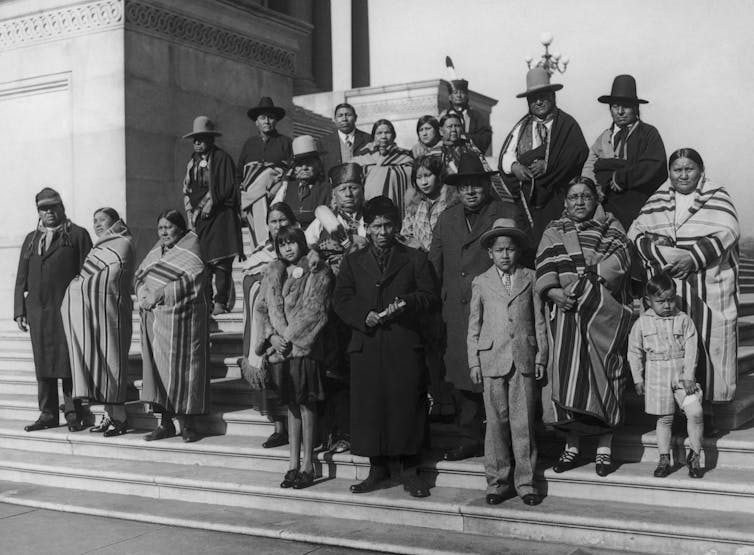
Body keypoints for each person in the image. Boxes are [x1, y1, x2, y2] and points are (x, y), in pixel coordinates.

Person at [333, 196, 438, 498]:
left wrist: (408, 304)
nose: (382, 232)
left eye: (388, 225)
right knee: (371, 408)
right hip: (366, 344)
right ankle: (376, 468)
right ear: (366, 228)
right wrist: (361, 315)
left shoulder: (415, 259)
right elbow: (341, 299)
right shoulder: (353, 261)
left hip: (403, 344)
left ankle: (410, 471)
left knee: (406, 406)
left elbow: (429, 296)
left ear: (398, 225)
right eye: (376, 226)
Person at [628, 148, 739, 426]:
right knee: (670, 347)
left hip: (706, 286)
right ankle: (669, 411)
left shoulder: (716, 196)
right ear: (670, 173)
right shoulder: (658, 198)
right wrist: (660, 253)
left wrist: (692, 258)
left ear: (700, 171)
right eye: (677, 170)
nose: (683, 174)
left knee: (704, 344)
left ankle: (706, 413)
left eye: (689, 169)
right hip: (668, 285)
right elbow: (636, 233)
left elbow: (728, 231)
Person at [535, 176, 633, 477]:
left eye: (586, 196)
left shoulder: (612, 228)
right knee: (567, 376)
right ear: (565, 202)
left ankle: (604, 449)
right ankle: (572, 447)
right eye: (574, 196)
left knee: (605, 376)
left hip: (601, 314)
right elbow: (544, 263)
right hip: (565, 316)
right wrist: (553, 292)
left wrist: (587, 288)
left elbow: (622, 258)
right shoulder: (554, 230)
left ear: (596, 200)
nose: (579, 202)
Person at [429, 153, 522, 461]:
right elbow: (435, 265)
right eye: (464, 187)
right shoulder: (447, 217)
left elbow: (521, 258)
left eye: (476, 186)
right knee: (461, 374)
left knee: (498, 371)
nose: (470, 192)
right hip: (455, 311)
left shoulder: (504, 212)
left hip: (495, 308)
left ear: (486, 185)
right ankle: (469, 437)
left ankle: (505, 440)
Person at [468, 218, 547, 506]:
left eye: (510, 249)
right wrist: (474, 361)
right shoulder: (481, 281)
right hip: (491, 358)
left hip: (523, 358)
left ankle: (526, 482)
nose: (505, 255)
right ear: (490, 252)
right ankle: (497, 482)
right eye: (499, 249)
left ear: (518, 251)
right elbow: (474, 326)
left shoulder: (531, 278)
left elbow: (539, 321)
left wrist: (541, 355)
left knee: (523, 422)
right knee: (496, 424)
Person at [254, 226, 333, 490]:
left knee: (306, 403)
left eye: (292, 243)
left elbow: (315, 309)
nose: (287, 248)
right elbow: (262, 307)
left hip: (302, 348)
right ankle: (292, 463)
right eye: (282, 244)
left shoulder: (316, 269)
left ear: (301, 243)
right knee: (290, 404)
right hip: (280, 351)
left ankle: (308, 464)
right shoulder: (273, 271)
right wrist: (270, 337)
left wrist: (287, 337)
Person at [15, 188, 92, 432]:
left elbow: (87, 275)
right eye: (43, 208)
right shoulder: (31, 239)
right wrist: (19, 309)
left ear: (62, 208)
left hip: (66, 309)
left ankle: (73, 412)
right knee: (43, 362)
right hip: (38, 310)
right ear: (38, 212)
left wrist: (83, 307)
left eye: (53, 207)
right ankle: (47, 413)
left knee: (67, 361)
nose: (48, 212)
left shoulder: (77, 235)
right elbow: (21, 277)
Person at [305, 163, 369, 454]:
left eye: (354, 187)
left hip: (367, 305)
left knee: (364, 368)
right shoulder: (322, 223)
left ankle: (367, 429)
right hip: (332, 310)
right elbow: (303, 251)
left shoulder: (372, 218)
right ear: (334, 193)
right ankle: (339, 431)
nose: (349, 194)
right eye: (343, 189)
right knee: (335, 369)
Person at [136, 210, 209, 443]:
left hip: (182, 323)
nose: (164, 232)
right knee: (157, 374)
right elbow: (139, 275)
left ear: (180, 227)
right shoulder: (156, 250)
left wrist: (158, 294)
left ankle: (188, 424)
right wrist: (143, 293)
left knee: (183, 372)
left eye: (169, 227)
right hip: (155, 322)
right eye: (161, 228)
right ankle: (165, 423)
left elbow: (193, 280)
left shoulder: (191, 248)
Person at [61, 208, 134, 437]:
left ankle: (120, 418)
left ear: (115, 221)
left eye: (102, 220)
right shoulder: (98, 246)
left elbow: (114, 273)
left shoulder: (123, 242)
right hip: (95, 311)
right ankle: (108, 415)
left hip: (113, 311)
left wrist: (80, 285)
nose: (97, 224)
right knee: (101, 363)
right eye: (95, 221)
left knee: (113, 361)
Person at [499, 68, 588, 246]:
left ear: (553, 96)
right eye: (533, 98)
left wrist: (548, 165)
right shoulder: (522, 126)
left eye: (543, 96)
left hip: (558, 198)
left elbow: (577, 154)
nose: (538, 102)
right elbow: (506, 155)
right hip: (529, 202)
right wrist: (515, 166)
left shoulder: (566, 124)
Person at [628, 272, 704, 479]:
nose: (667, 305)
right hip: (657, 374)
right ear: (648, 301)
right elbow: (634, 352)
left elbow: (692, 348)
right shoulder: (642, 323)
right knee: (664, 419)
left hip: (681, 376)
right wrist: (638, 378)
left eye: (671, 300)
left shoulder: (684, 320)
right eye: (661, 301)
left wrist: (689, 375)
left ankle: (695, 455)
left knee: (695, 411)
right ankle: (664, 458)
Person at [240, 202, 299, 449]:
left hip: (292, 326)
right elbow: (250, 286)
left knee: (294, 378)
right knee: (272, 375)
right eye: (273, 221)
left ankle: (302, 428)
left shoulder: (298, 250)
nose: (278, 225)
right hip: (264, 328)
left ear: (292, 222)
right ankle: (279, 427)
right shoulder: (259, 255)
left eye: (282, 220)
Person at [402, 155, 456, 421]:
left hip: (447, 275)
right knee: (430, 342)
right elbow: (408, 235)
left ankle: (453, 400)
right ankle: (438, 399)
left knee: (448, 339)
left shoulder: (451, 202)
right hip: (423, 276)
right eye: (419, 177)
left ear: (439, 175)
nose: (424, 182)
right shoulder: (415, 206)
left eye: (428, 176)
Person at [581, 75, 667, 231]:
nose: (620, 112)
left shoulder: (648, 133)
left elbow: (656, 165)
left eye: (625, 106)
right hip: (607, 205)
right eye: (615, 106)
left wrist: (622, 176)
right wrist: (594, 189)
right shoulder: (604, 137)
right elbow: (590, 166)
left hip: (639, 206)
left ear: (635, 108)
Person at [181, 116, 242, 315]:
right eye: (195, 139)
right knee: (202, 263)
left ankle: (220, 301)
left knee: (222, 262)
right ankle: (204, 300)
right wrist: (192, 212)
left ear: (211, 139)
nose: (197, 143)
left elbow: (228, 187)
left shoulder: (222, 158)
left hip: (221, 217)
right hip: (201, 221)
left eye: (202, 138)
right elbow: (188, 189)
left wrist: (213, 202)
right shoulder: (192, 162)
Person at [237, 97, 293, 248]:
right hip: (252, 200)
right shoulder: (249, 144)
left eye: (271, 117)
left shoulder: (285, 142)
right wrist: (242, 201)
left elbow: (292, 169)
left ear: (276, 121)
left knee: (279, 235)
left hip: (277, 197)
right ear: (257, 122)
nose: (267, 121)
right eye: (262, 118)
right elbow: (240, 174)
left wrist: (279, 186)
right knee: (259, 240)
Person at [351, 119, 413, 217]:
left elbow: (411, 178)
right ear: (374, 136)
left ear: (393, 136)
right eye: (379, 133)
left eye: (387, 132)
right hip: (368, 203)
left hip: (396, 203)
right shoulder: (361, 157)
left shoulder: (404, 156)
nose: (383, 136)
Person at [271, 135, 331, 228]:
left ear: (318, 165)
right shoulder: (286, 188)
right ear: (294, 169)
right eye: (299, 164)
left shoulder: (327, 189)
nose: (304, 168)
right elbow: (274, 213)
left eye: (309, 163)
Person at [439, 77, 492, 154]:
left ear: (467, 96)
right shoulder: (444, 115)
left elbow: (485, 137)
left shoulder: (476, 115)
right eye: (455, 92)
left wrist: (465, 137)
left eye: (462, 92)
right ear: (450, 97)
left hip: (470, 154)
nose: (459, 95)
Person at [320, 103, 372, 176]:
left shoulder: (368, 139)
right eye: (340, 116)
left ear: (355, 118)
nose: (344, 119)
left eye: (348, 115)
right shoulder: (324, 143)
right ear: (335, 119)